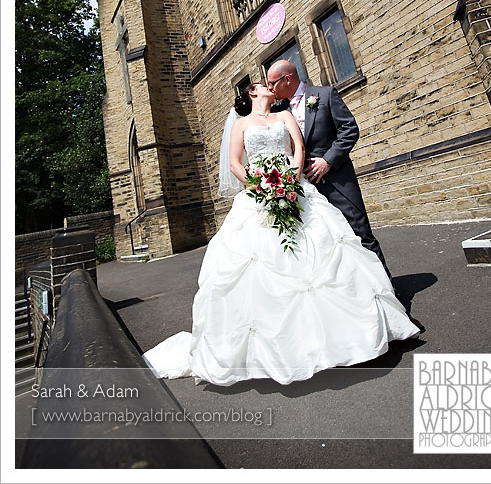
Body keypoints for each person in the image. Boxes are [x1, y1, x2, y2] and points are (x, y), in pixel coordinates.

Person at [143, 82, 419, 386]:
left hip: (294, 188)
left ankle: (347, 337)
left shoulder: (284, 115)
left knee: (324, 250)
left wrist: (291, 179)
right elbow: (236, 163)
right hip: (259, 194)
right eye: (263, 85)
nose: (270, 88)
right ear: (252, 93)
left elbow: (298, 148)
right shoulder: (241, 125)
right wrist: (260, 186)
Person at [267, 60, 392, 278]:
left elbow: (349, 129)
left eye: (272, 84)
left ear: (287, 79)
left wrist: (327, 161)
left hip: (338, 180)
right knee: (326, 244)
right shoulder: (279, 111)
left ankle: (387, 288)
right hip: (306, 188)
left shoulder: (325, 95)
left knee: (360, 233)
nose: (270, 89)